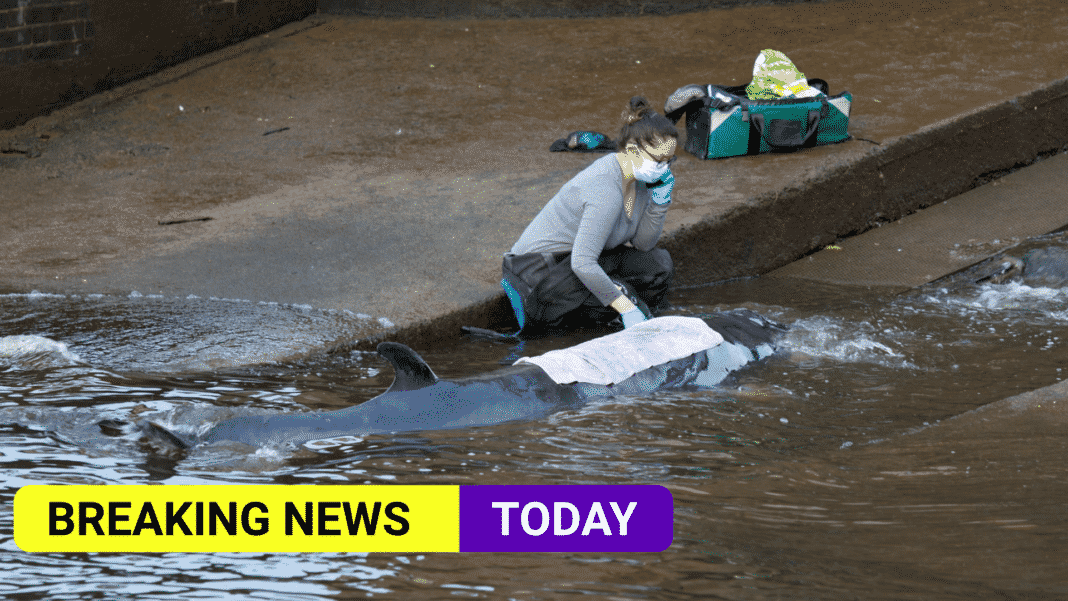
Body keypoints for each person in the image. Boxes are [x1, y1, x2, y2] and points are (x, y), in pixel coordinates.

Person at [501, 96, 678, 334]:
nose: (664, 168)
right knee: (628, 301)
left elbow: (643, 244)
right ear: (634, 151)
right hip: (540, 274)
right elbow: (583, 263)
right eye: (659, 160)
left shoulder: (642, 180)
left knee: (659, 266)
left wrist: (660, 201)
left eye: (670, 160)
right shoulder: (605, 190)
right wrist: (625, 307)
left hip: (578, 261)